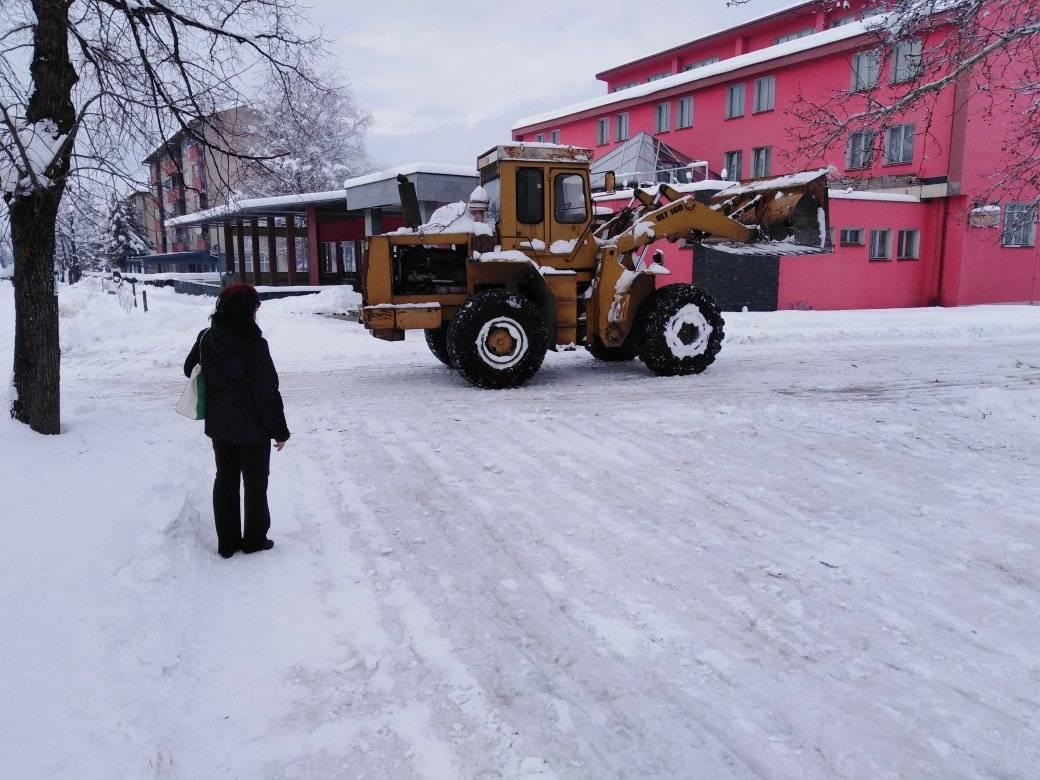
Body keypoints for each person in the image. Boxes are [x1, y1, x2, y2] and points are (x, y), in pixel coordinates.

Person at [183, 283, 290, 558]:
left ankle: (228, 543)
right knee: (255, 483)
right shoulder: (255, 344)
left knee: (225, 479)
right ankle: (254, 539)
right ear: (248, 310)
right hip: (253, 429)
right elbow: (266, 391)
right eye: (255, 307)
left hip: (220, 425)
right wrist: (280, 431)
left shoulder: (207, 337)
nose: (257, 313)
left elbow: (188, 369)